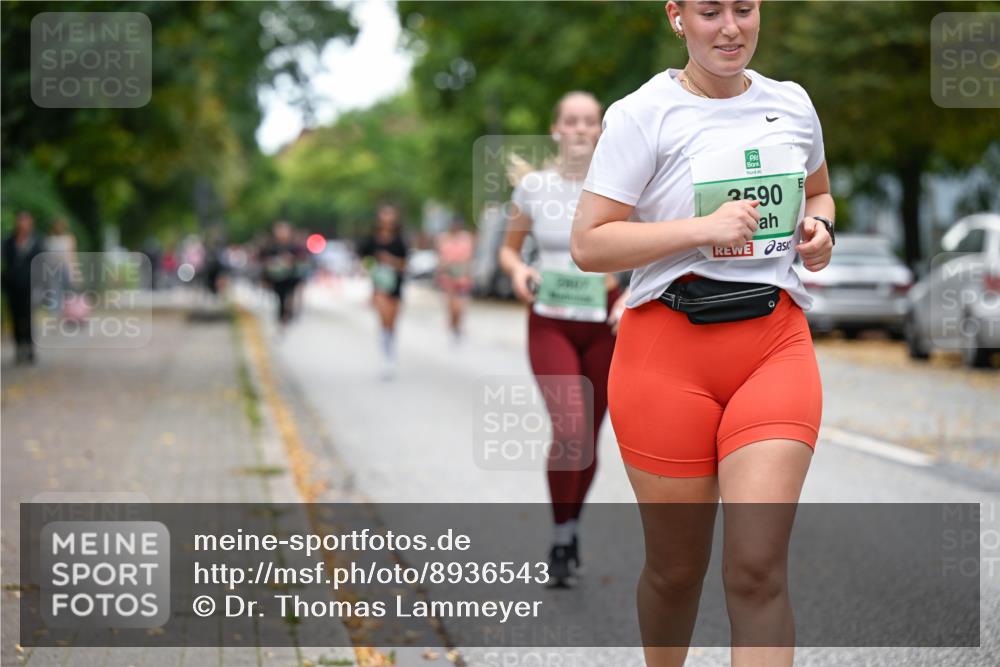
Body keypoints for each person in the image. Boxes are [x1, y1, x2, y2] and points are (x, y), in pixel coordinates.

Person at [570, 1, 835, 664]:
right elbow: (589, 243)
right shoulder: (642, 114)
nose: (730, 26)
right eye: (710, 10)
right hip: (666, 353)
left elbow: (821, 193)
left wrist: (820, 230)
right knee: (676, 570)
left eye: (744, 8)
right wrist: (701, 229)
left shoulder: (794, 105)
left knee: (756, 567)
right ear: (677, 17)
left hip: (773, 345)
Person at [499, 91, 630, 587]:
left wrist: (628, 299)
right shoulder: (534, 187)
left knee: (589, 440)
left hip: (604, 326)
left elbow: (647, 256)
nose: (579, 129)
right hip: (550, 320)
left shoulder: (621, 189)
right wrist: (518, 272)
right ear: (555, 129)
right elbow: (509, 253)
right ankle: (560, 533)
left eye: (588, 122)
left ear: (600, 131)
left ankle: (568, 529)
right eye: (570, 121)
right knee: (570, 429)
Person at [358, 203, 409, 379]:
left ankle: (390, 353)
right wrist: (371, 266)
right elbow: (363, 262)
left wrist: (391, 261)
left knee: (392, 323)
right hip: (379, 285)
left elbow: (405, 265)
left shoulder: (400, 241)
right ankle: (386, 357)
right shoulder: (371, 240)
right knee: (384, 319)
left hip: (396, 284)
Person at [2, 211, 45, 364]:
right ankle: (19, 346)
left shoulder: (37, 242)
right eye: (21, 221)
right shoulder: (9, 242)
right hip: (13, 287)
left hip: (31, 286)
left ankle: (29, 347)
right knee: (15, 317)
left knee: (28, 318)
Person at [259, 221, 307, 334]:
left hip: (292, 277)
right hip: (277, 278)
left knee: (289, 297)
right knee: (280, 299)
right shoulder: (271, 246)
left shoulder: (295, 246)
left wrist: (291, 260)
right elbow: (263, 261)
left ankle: (288, 314)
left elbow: (303, 260)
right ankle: (282, 319)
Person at [435, 216, 475, 345]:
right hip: (448, 278)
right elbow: (440, 258)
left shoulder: (466, 238)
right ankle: (453, 327)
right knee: (451, 306)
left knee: (460, 306)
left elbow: (469, 258)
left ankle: (458, 327)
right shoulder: (443, 238)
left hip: (462, 277)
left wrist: (468, 273)